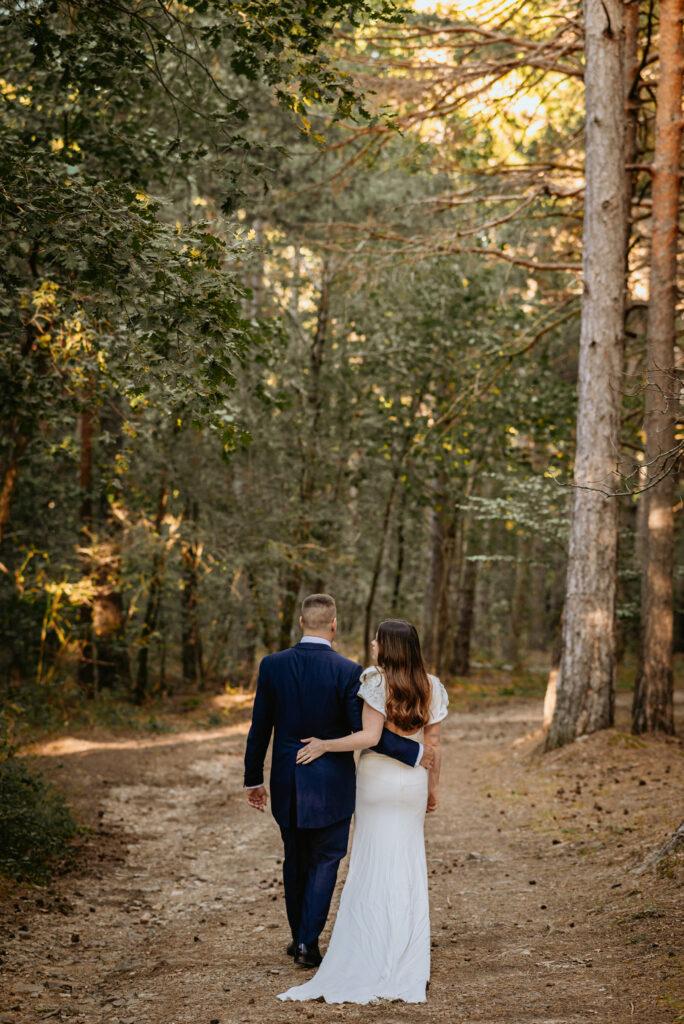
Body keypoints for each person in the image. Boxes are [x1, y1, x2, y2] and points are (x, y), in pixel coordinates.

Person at [243, 595, 434, 968]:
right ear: (334, 625)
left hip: (287, 779)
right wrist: (413, 752)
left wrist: (253, 779)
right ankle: (307, 942)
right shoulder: (350, 671)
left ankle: (298, 934)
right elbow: (365, 731)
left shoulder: (272, 666)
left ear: (301, 621)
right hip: (332, 782)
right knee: (326, 859)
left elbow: (260, 727)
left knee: (294, 857)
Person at [277, 617, 448, 1004]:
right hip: (413, 787)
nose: (372, 643)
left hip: (376, 782)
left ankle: (369, 942)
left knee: (371, 860)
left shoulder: (375, 681)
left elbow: (370, 737)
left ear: (388, 647)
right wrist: (434, 789)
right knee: (407, 860)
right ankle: (404, 944)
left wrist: (324, 744)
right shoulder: (432, 686)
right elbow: (434, 750)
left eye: (377, 639)